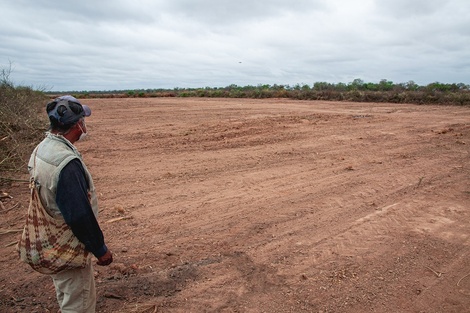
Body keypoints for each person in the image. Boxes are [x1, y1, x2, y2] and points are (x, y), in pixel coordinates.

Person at [28, 95, 113, 312]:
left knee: (67, 293)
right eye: (83, 120)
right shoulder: (66, 164)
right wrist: (100, 249)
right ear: (78, 125)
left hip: (51, 240)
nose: (85, 125)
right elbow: (79, 215)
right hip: (69, 244)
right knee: (79, 302)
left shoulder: (42, 149)